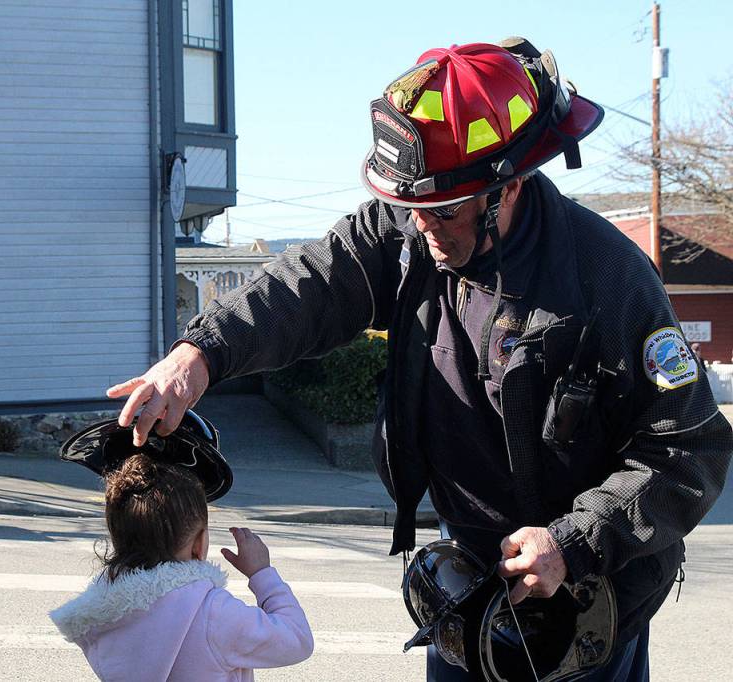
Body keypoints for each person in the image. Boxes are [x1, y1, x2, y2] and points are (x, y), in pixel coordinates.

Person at [107, 37, 732, 681]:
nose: (424, 226)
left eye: (446, 210)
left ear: (508, 185)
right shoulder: (408, 229)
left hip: (582, 597)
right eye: (411, 208)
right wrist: (200, 353)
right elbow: (307, 287)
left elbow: (690, 450)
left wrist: (572, 542)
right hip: (472, 581)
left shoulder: (608, 281)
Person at [49, 453, 314, 681]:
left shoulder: (106, 615)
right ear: (199, 544)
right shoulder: (211, 613)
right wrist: (262, 574)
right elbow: (297, 639)